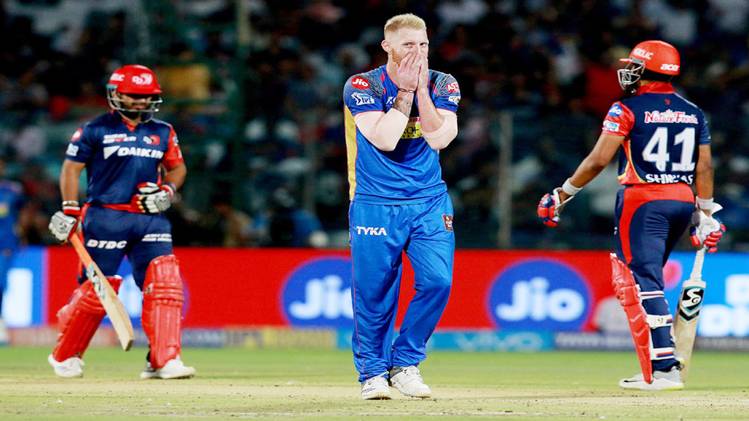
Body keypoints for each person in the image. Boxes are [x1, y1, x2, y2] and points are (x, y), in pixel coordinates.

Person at [537, 40, 725, 391]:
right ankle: (658, 363)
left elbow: (598, 159)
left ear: (646, 69)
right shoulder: (693, 112)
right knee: (648, 279)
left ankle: (665, 367)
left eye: (634, 66)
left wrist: (563, 193)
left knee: (642, 281)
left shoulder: (625, 108)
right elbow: (705, 166)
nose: (628, 72)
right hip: (682, 200)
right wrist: (705, 212)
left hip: (643, 200)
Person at [47, 65, 196, 379]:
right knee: (96, 290)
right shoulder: (95, 129)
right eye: (133, 95)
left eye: (146, 96)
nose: (140, 101)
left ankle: (163, 359)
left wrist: (167, 192)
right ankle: (65, 355)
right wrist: (70, 210)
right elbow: (71, 168)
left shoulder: (163, 131)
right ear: (116, 94)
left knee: (165, 284)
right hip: (106, 216)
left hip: (150, 218)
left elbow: (177, 169)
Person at [342, 13, 460, 400]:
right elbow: (385, 138)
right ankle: (373, 374)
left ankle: (406, 363)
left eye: (423, 44)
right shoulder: (363, 85)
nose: (418, 52)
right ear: (387, 47)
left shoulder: (443, 83)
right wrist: (405, 93)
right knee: (374, 293)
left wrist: (421, 90)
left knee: (438, 281)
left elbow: (440, 138)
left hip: (429, 201)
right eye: (408, 45)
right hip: (375, 202)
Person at [0, 157, 24, 345]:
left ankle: (0, 324)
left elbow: (22, 214)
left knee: (1, 284)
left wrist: (19, 235)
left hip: (4, 245)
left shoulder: (12, 190)